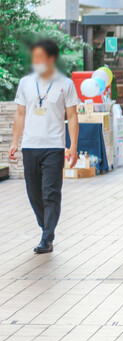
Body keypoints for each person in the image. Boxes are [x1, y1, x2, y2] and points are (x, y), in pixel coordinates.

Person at [9, 39, 80, 253]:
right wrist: (15, 141)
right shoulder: (25, 83)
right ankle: (45, 226)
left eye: (40, 57)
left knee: (50, 193)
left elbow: (72, 116)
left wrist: (73, 146)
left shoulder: (65, 84)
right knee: (34, 194)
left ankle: (47, 236)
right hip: (30, 146)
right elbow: (20, 113)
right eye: (35, 57)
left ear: (51, 59)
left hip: (54, 146)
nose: (36, 61)